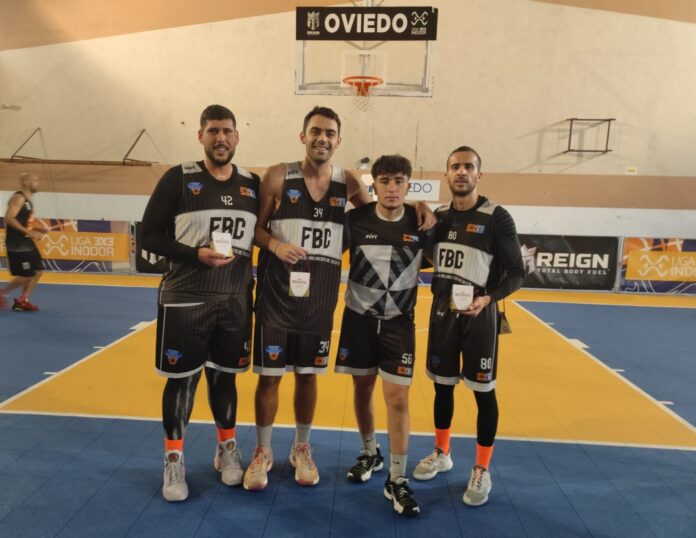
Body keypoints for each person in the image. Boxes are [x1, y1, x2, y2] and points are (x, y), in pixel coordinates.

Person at [244, 106, 434, 491]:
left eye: (330, 133)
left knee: (307, 376)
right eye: (316, 131)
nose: (322, 138)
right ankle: (262, 451)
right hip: (277, 297)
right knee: (269, 377)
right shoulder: (278, 175)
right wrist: (276, 246)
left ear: (338, 140)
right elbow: (255, 228)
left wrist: (416, 205)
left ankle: (302, 447)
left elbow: (379, 214)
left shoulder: (346, 181)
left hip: (319, 301)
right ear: (303, 136)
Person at [140, 104, 259, 502]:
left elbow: (265, 232)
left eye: (227, 131)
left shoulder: (252, 184)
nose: (220, 138)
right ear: (201, 136)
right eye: (213, 131)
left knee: (225, 377)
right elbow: (149, 236)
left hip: (233, 300)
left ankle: (227, 448)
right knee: (182, 380)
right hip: (185, 300)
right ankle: (173, 459)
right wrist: (194, 254)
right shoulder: (179, 178)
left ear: (237, 136)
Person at [412, 146, 524, 507]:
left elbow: (517, 273)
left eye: (468, 166)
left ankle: (482, 468)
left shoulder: (497, 217)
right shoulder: (440, 218)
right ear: (446, 175)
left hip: (480, 317)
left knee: (483, 393)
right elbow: (423, 258)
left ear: (479, 174)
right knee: (442, 388)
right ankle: (442, 452)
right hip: (443, 314)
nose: (462, 172)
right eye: (455, 167)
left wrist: (488, 299)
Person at [336, 155, 424, 516]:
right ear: (375, 185)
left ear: (408, 185)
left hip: (398, 324)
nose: (392, 188)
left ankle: (398, 479)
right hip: (358, 319)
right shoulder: (355, 220)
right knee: (362, 389)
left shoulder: (422, 222)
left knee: (398, 399)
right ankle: (370, 453)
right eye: (385, 181)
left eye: (399, 181)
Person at [1, 172, 49, 312]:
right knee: (27, 274)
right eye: (35, 180)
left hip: (26, 241)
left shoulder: (29, 200)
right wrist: (30, 232)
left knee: (38, 271)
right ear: (26, 183)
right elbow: (9, 218)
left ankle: (22, 300)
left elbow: (24, 223)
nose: (38, 183)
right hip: (17, 243)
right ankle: (2, 292)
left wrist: (39, 229)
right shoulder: (19, 198)